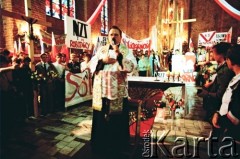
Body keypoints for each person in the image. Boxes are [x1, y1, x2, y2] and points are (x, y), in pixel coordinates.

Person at [90, 25, 136, 153]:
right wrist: (102, 61)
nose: (113, 37)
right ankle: (100, 142)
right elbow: (92, 64)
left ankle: (117, 144)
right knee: (101, 118)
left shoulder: (126, 51)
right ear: (108, 37)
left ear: (120, 37)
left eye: (116, 34)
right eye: (111, 34)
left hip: (118, 92)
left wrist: (120, 57)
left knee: (117, 119)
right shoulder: (101, 50)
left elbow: (132, 65)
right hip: (102, 91)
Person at [211, 44, 240, 153]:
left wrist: (221, 119)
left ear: (231, 60)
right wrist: (218, 112)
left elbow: (236, 112)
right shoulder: (235, 77)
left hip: (233, 133)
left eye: (228, 59)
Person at [198, 42, 234, 122]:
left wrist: (205, 93)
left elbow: (220, 94)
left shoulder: (225, 71)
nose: (212, 56)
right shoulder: (223, 68)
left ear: (221, 54)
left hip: (216, 107)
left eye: (213, 53)